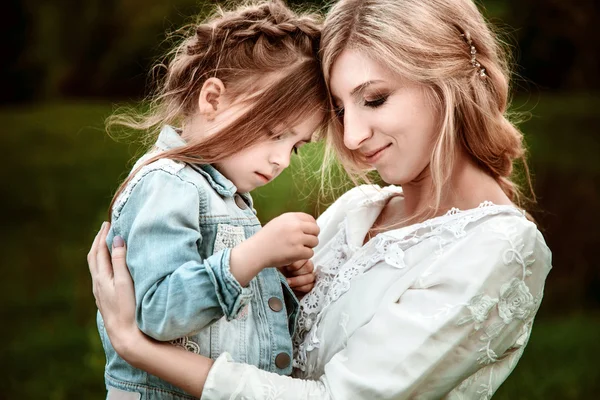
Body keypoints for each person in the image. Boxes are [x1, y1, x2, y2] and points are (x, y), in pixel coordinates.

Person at [88, 0, 553, 398]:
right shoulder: (357, 211)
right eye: (339, 108)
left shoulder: (499, 248)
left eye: (373, 99)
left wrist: (136, 347)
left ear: (447, 80)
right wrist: (280, 284)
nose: (350, 136)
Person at [94, 1, 329, 398]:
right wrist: (253, 256)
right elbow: (157, 311)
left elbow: (224, 317)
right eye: (274, 133)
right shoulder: (168, 185)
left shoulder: (219, 190)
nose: (281, 160)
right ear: (213, 99)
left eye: (296, 146)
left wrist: (276, 278)